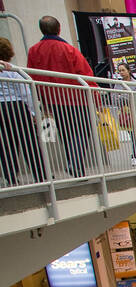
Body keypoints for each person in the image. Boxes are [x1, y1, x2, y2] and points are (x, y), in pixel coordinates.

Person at [26, 17, 98, 178]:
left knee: (66, 133)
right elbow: (85, 74)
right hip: (76, 98)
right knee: (82, 132)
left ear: (42, 30)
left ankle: (75, 165)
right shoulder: (69, 49)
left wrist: (41, 100)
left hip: (51, 99)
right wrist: (95, 97)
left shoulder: (34, 50)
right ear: (59, 29)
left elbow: (32, 76)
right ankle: (76, 164)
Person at [0, 37, 48, 184]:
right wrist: (34, 112)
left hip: (1, 108)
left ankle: (11, 177)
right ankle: (41, 175)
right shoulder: (13, 71)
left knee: (7, 144)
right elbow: (25, 93)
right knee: (29, 141)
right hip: (16, 106)